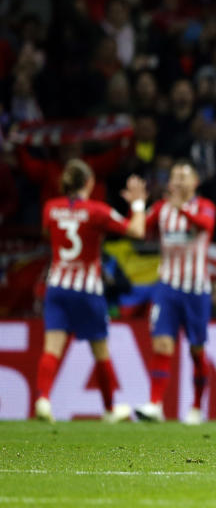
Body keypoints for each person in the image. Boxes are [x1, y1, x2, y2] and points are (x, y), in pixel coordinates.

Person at [34, 160, 147, 423]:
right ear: (89, 183)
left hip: (58, 286)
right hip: (87, 289)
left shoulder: (50, 208)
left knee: (52, 348)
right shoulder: (98, 211)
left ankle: (42, 398)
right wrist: (138, 204)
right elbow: (137, 230)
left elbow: (46, 234)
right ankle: (109, 410)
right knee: (100, 350)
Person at [135, 160, 216, 425]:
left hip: (196, 289)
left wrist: (180, 207)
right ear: (169, 183)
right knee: (161, 344)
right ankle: (155, 404)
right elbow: (138, 231)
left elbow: (206, 225)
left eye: (185, 176)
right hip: (167, 286)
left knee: (196, 349)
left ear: (196, 182)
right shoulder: (161, 210)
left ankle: (196, 407)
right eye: (175, 177)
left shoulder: (205, 206)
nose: (179, 182)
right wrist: (137, 205)